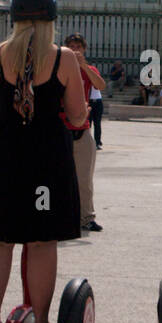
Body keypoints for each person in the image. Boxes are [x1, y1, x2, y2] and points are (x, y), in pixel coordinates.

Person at [0, 0, 88, 323]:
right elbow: (79, 115)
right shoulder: (63, 58)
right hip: (45, 158)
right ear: (51, 20)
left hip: (5, 154)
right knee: (40, 241)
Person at [64, 34, 105, 233]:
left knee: (85, 180)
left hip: (82, 130)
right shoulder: (59, 70)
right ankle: (58, 215)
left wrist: (84, 66)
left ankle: (86, 217)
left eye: (78, 46)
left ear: (84, 49)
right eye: (70, 46)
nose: (74, 50)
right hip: (61, 129)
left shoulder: (89, 70)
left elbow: (100, 85)